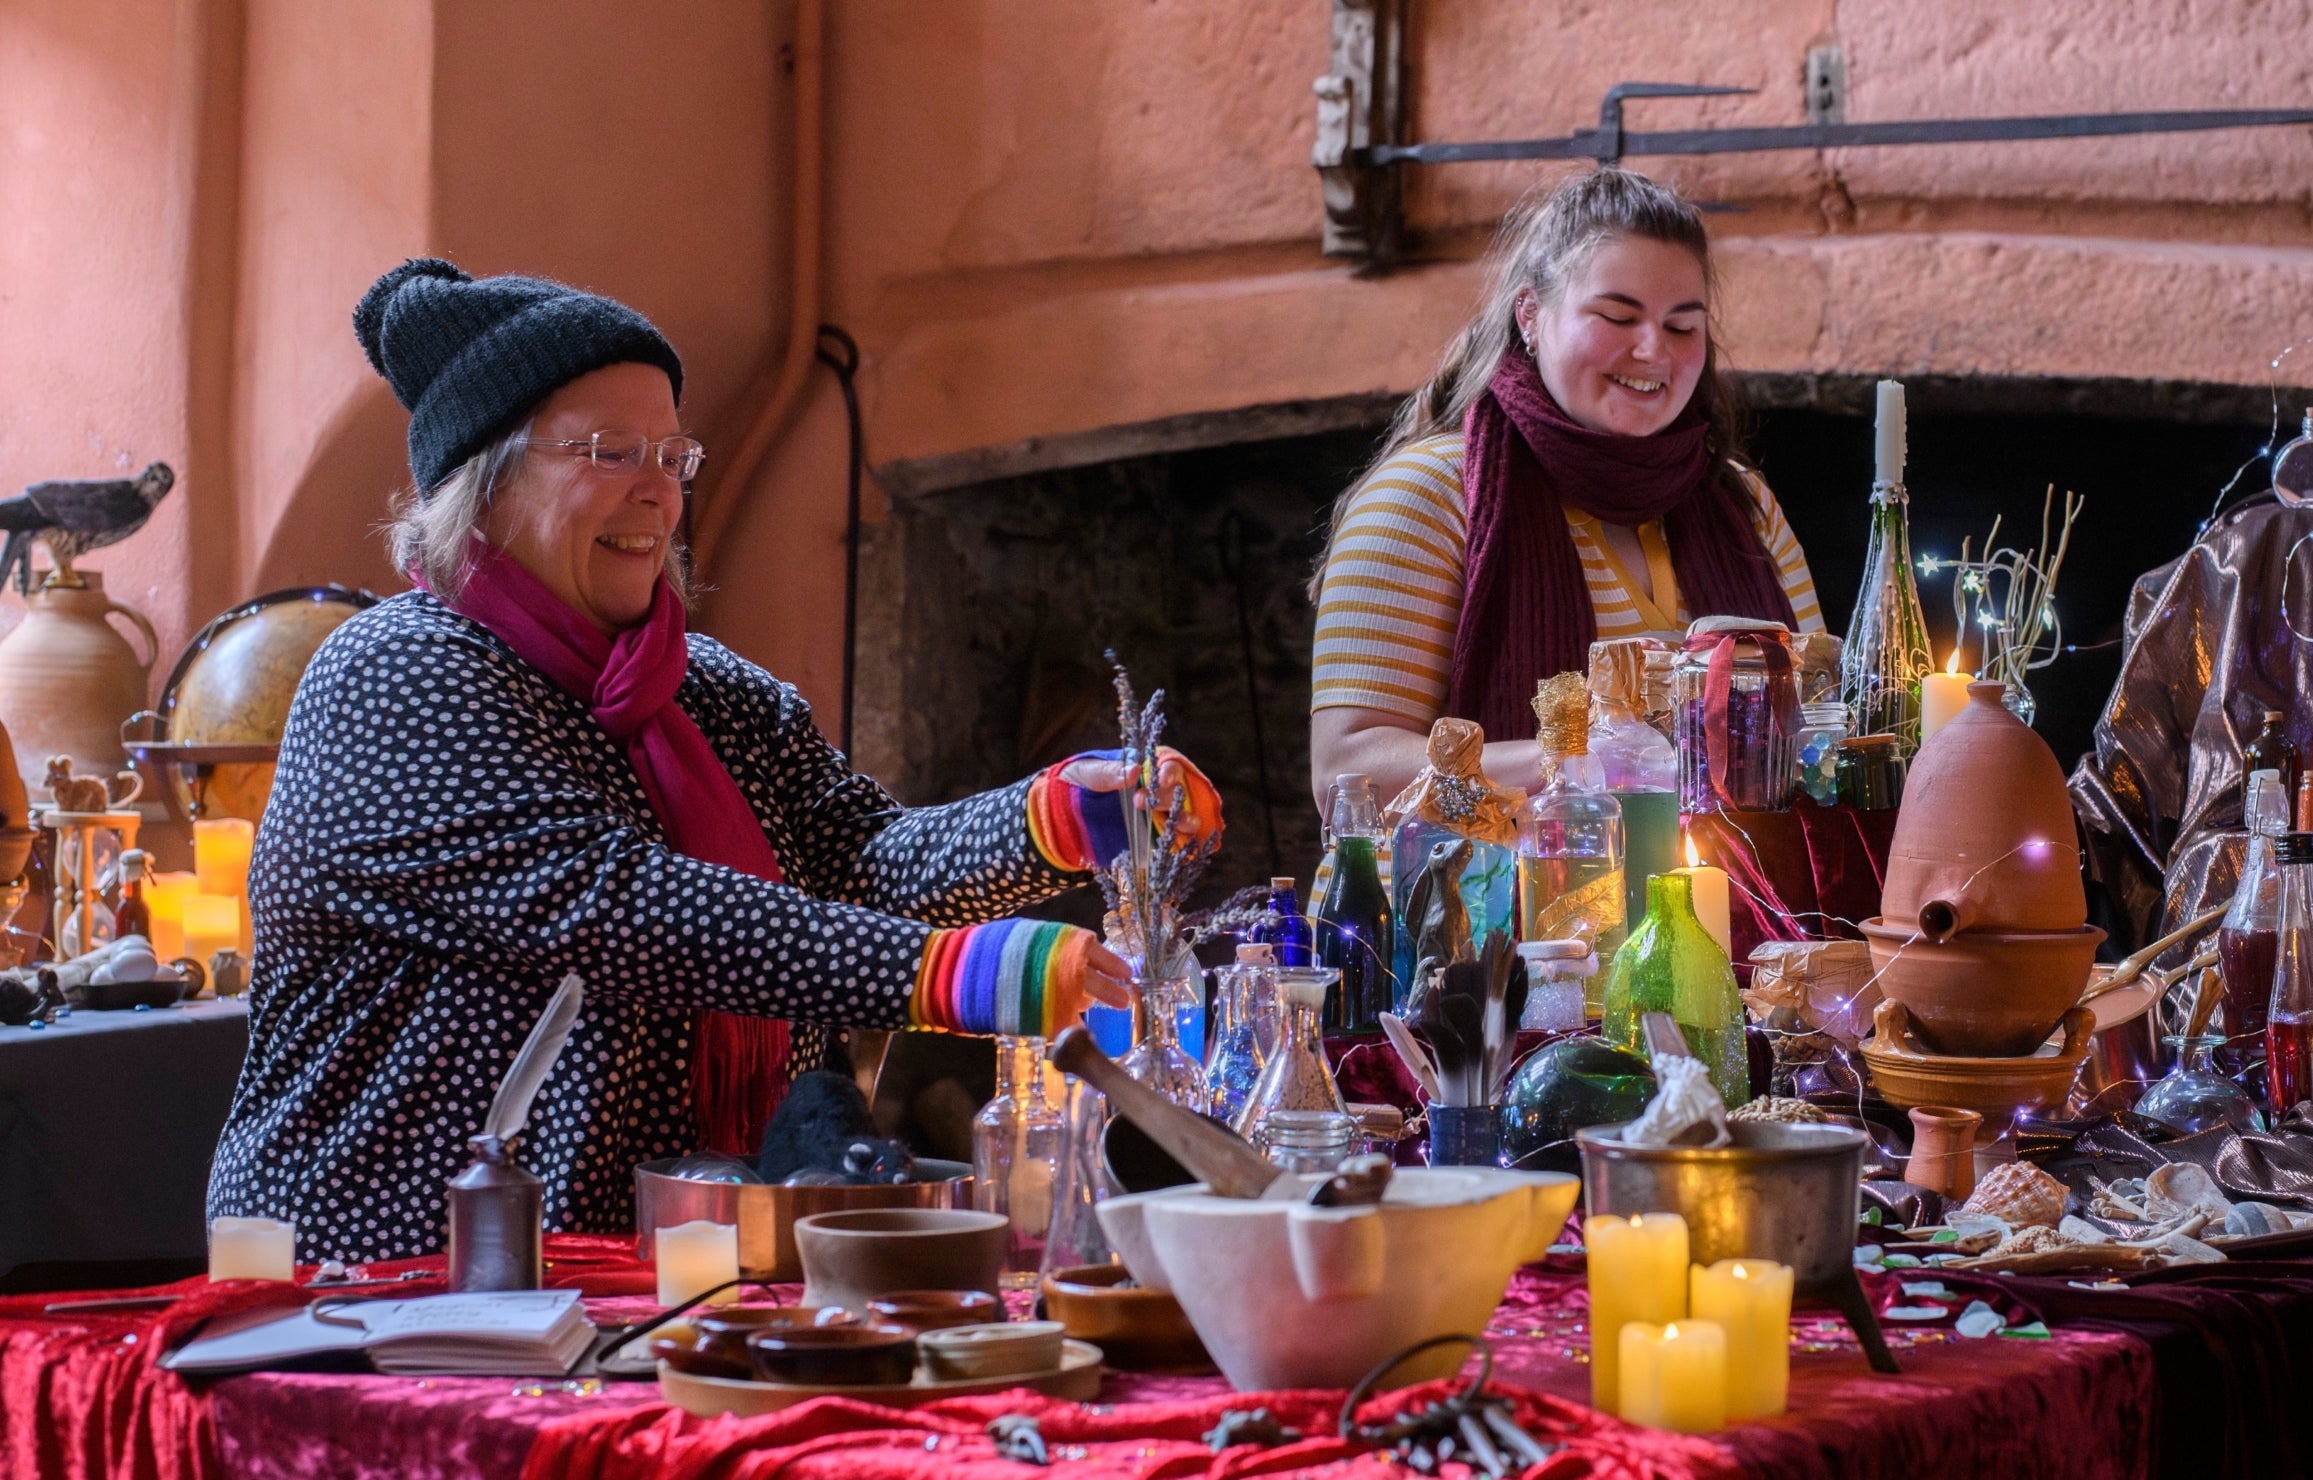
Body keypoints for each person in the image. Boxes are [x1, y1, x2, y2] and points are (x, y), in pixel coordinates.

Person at [206, 259, 1220, 1262]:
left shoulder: (710, 690)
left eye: (674, 457)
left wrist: (1058, 817)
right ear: (486, 481)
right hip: (387, 1271)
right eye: (611, 453)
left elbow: (863, 856)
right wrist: (953, 973)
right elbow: (610, 906)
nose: (659, 494)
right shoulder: (396, 674)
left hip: (648, 1265)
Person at [1307, 168, 1823, 806]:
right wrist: (1579, 760)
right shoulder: (1429, 494)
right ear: (1531, 314)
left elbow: (1815, 712)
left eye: (1682, 326)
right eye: (1616, 315)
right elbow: (1345, 773)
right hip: (1470, 902)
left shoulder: (1742, 501)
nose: (1652, 350)